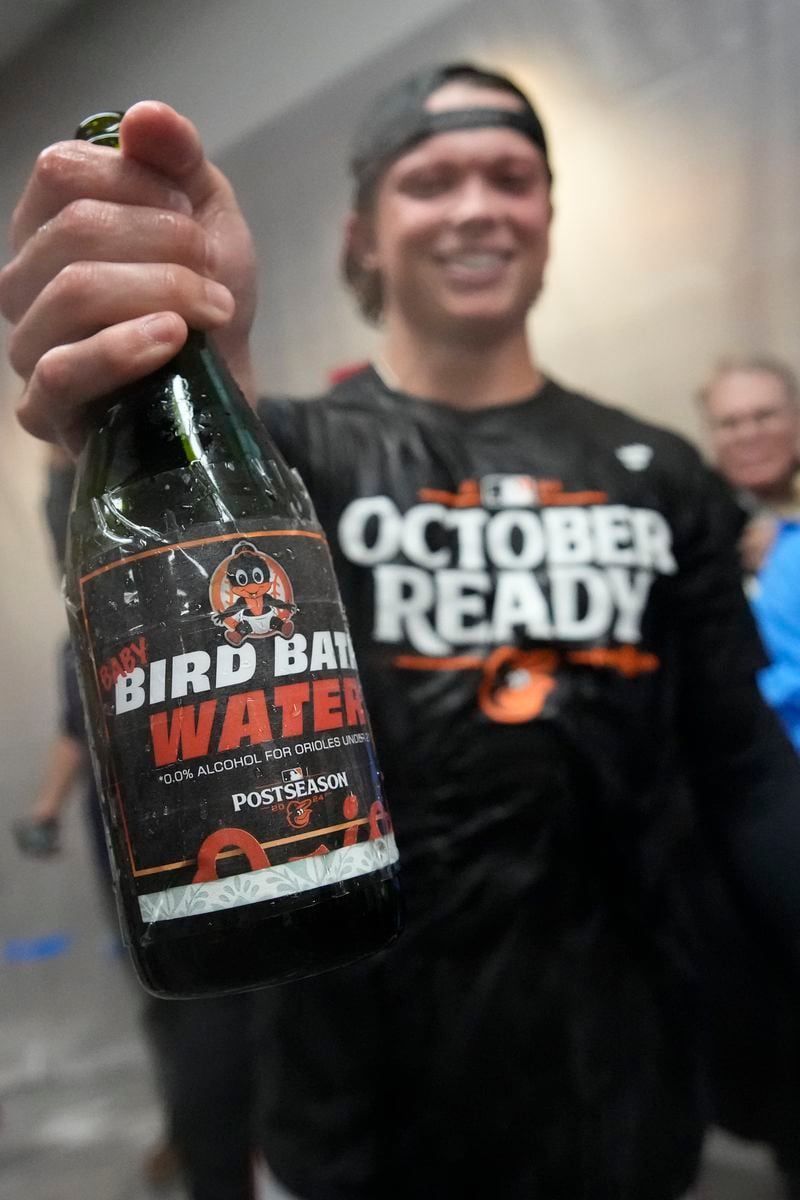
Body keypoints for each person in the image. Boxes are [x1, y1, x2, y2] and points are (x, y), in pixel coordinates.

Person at [4, 61, 800, 1200]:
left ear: (546, 218)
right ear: (363, 236)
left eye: (510, 177)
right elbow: (161, 528)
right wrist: (189, 356)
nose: (476, 205)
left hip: (627, 1098)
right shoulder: (290, 460)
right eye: (430, 182)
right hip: (354, 1119)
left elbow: (741, 766)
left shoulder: (660, 471)